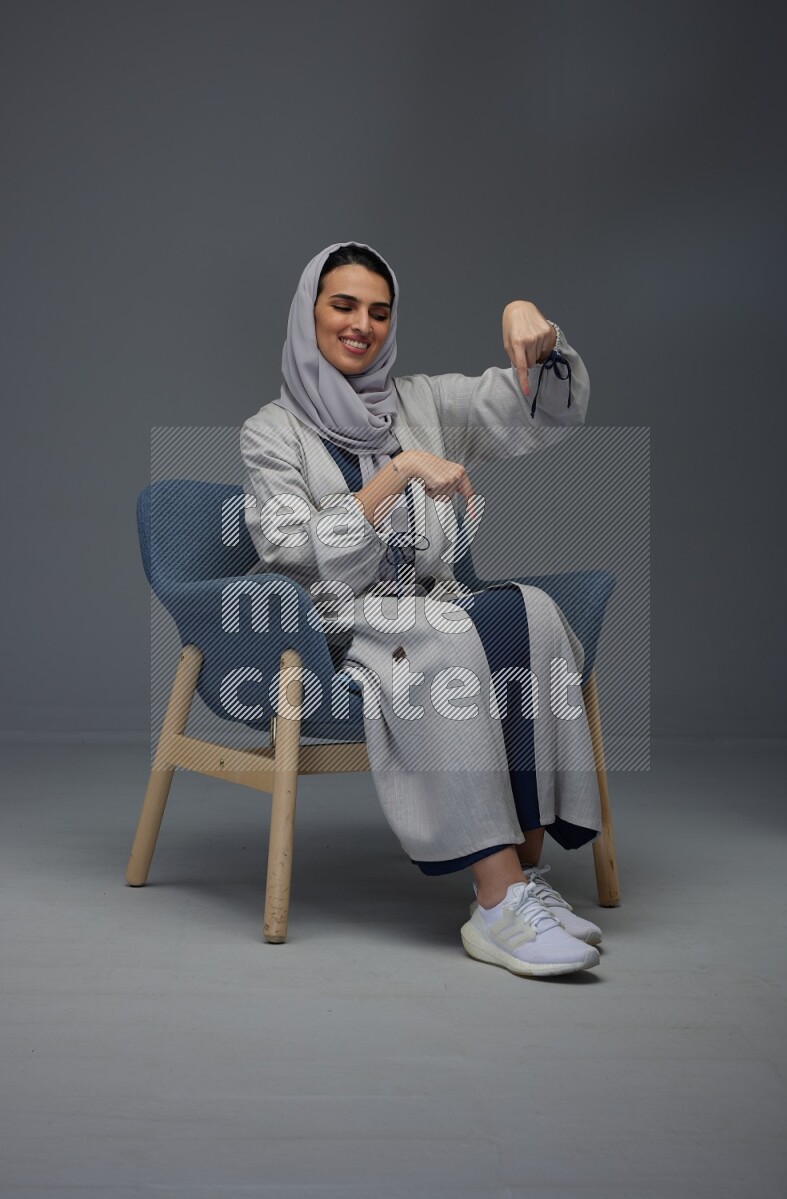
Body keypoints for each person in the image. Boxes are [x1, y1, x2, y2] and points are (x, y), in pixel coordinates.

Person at [240, 241, 604, 978]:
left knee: (529, 612)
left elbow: (546, 413)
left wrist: (534, 328)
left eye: (379, 311)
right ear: (308, 312)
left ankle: (523, 875)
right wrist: (399, 470)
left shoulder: (423, 402)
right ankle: (496, 901)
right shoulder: (269, 432)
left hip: (428, 604)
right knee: (444, 635)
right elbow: (292, 550)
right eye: (342, 305)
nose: (361, 324)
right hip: (336, 625)